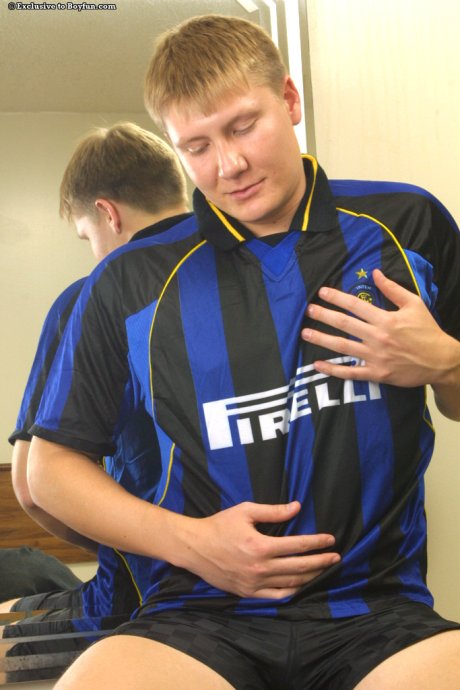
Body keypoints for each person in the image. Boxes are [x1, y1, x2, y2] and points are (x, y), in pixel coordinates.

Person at [26, 14, 460, 690]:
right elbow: (49, 471)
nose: (228, 166)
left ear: (288, 100)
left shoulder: (409, 224)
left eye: (242, 126)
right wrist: (194, 543)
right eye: (196, 147)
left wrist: (447, 362)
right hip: (196, 616)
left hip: (380, 613)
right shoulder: (131, 279)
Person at [0, 122, 191, 680]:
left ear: (107, 214)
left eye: (87, 237)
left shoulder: (87, 299)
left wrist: (129, 544)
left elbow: (32, 490)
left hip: (139, 601)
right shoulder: (247, 276)